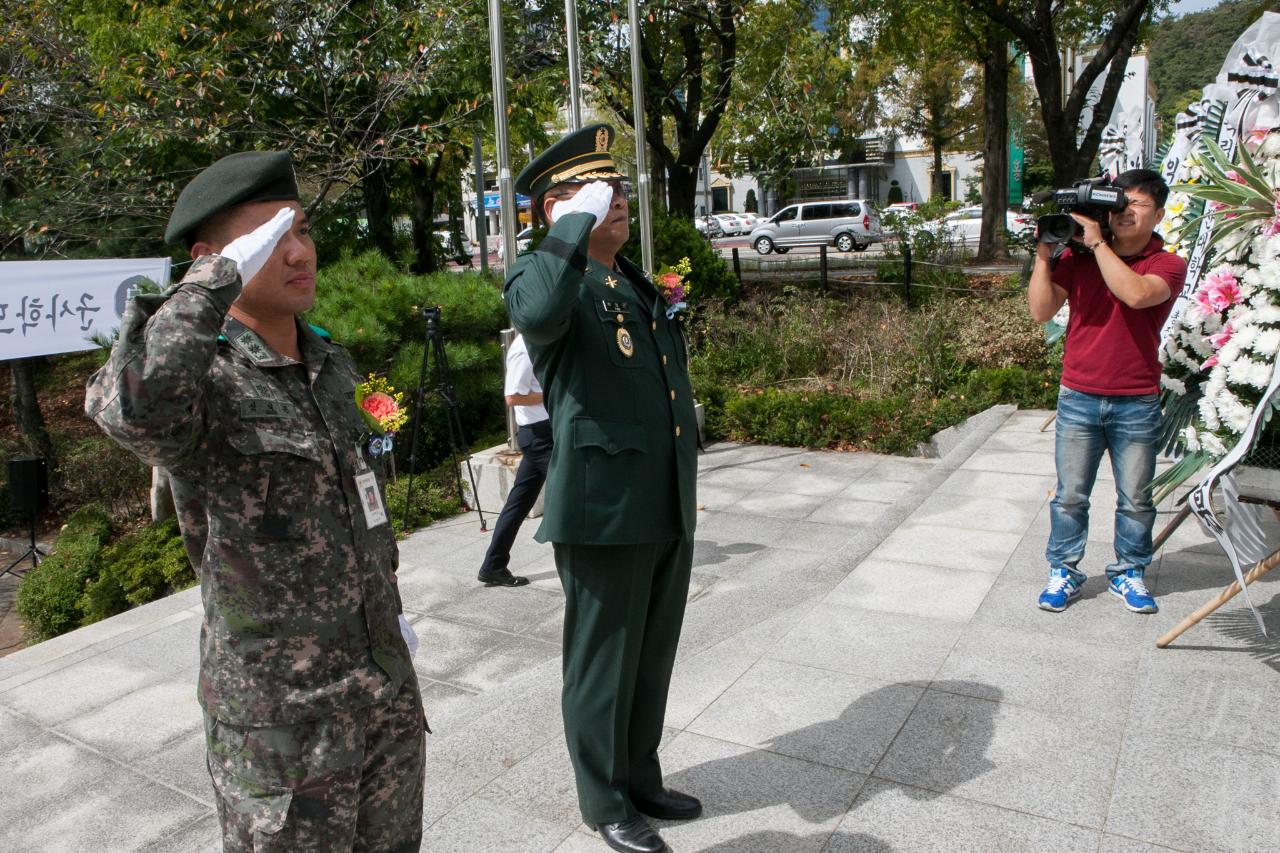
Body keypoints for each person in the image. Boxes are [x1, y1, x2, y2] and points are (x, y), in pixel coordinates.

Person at [85, 151, 426, 852]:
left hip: (381, 693)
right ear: (221, 258)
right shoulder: (202, 381)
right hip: (282, 729)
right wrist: (208, 280)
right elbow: (131, 409)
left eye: (301, 229)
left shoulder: (329, 364)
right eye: (272, 238)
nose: (300, 252)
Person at [504, 124, 700, 853]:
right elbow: (537, 316)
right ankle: (603, 798)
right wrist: (569, 227)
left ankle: (639, 774)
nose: (617, 199)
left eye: (617, 188)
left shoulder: (625, 277)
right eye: (596, 191)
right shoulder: (542, 272)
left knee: (650, 652)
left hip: (660, 495)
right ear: (555, 208)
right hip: (602, 506)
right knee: (602, 662)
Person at [1027, 168, 1187, 615]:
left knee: (1135, 498)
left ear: (1158, 213)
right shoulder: (1077, 258)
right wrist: (1044, 257)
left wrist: (1097, 243)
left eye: (1137, 204)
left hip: (1136, 399)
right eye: (1120, 202)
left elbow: (1136, 295)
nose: (1125, 211)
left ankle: (1129, 572)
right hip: (1078, 394)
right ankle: (1064, 570)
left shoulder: (1167, 264)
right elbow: (1042, 311)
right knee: (1070, 495)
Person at [475, 333, 547, 587]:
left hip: (545, 431)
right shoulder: (523, 347)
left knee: (519, 502)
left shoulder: (540, 340)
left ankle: (493, 565)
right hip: (540, 436)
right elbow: (513, 396)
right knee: (576, 492)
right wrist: (551, 394)